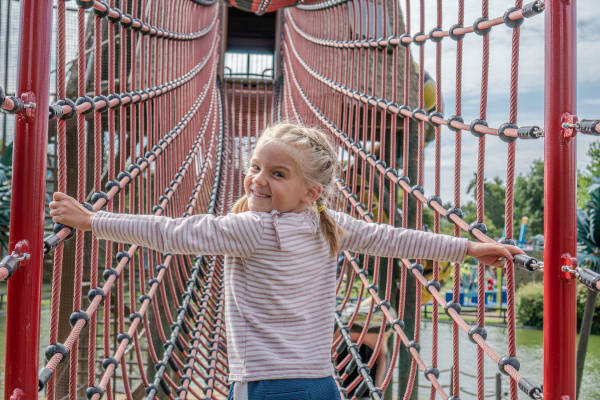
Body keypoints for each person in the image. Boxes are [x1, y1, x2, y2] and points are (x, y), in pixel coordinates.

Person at [49, 123, 523, 400]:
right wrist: (464, 247)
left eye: (277, 174)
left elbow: (169, 232)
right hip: (322, 385)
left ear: (311, 191)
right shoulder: (328, 223)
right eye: (255, 167)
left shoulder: (251, 229)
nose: (257, 180)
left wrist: (94, 221)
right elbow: (395, 240)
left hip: (262, 387)